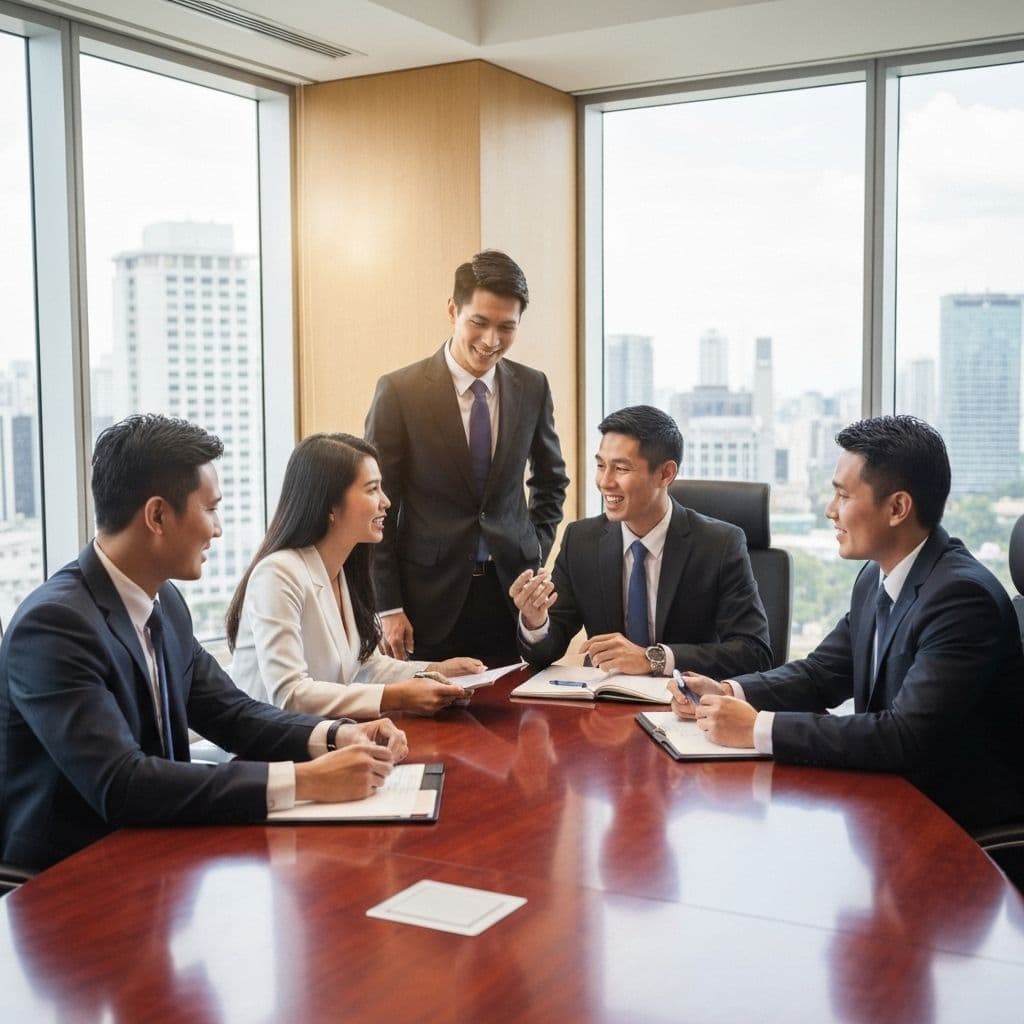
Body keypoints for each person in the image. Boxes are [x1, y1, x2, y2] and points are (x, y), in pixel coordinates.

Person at [0, 415, 409, 872]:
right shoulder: (54, 625)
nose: (217, 529)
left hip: (158, 852)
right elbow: (121, 784)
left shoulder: (165, 603)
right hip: (65, 878)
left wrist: (336, 735)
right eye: (210, 509)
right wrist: (305, 780)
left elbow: (232, 713)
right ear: (157, 515)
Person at [672, 415, 1024, 832]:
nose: (830, 510)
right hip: (890, 800)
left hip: (953, 825)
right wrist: (731, 690)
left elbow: (904, 737)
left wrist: (758, 728)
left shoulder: (961, 599)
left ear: (897, 507)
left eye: (843, 495)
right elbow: (823, 672)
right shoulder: (877, 575)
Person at [364, 249, 569, 666]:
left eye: (506, 327)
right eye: (479, 322)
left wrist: (530, 550)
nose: (491, 340)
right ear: (453, 310)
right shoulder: (400, 392)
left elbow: (551, 482)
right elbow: (378, 505)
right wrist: (387, 606)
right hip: (426, 602)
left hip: (509, 595)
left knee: (516, 721)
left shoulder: (532, 387)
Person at [226, 432, 484, 718]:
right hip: (267, 752)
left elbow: (368, 667)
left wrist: (436, 671)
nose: (386, 501)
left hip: (327, 739)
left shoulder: (345, 572)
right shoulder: (277, 574)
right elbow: (290, 695)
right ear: (331, 505)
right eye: (372, 489)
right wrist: (396, 697)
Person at [512, 405, 772, 679]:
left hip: (684, 707)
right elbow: (545, 653)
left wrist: (654, 658)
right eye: (601, 466)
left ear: (665, 474)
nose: (604, 482)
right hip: (604, 709)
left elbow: (754, 652)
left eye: (621, 468)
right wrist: (535, 620)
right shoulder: (581, 540)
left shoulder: (719, 544)